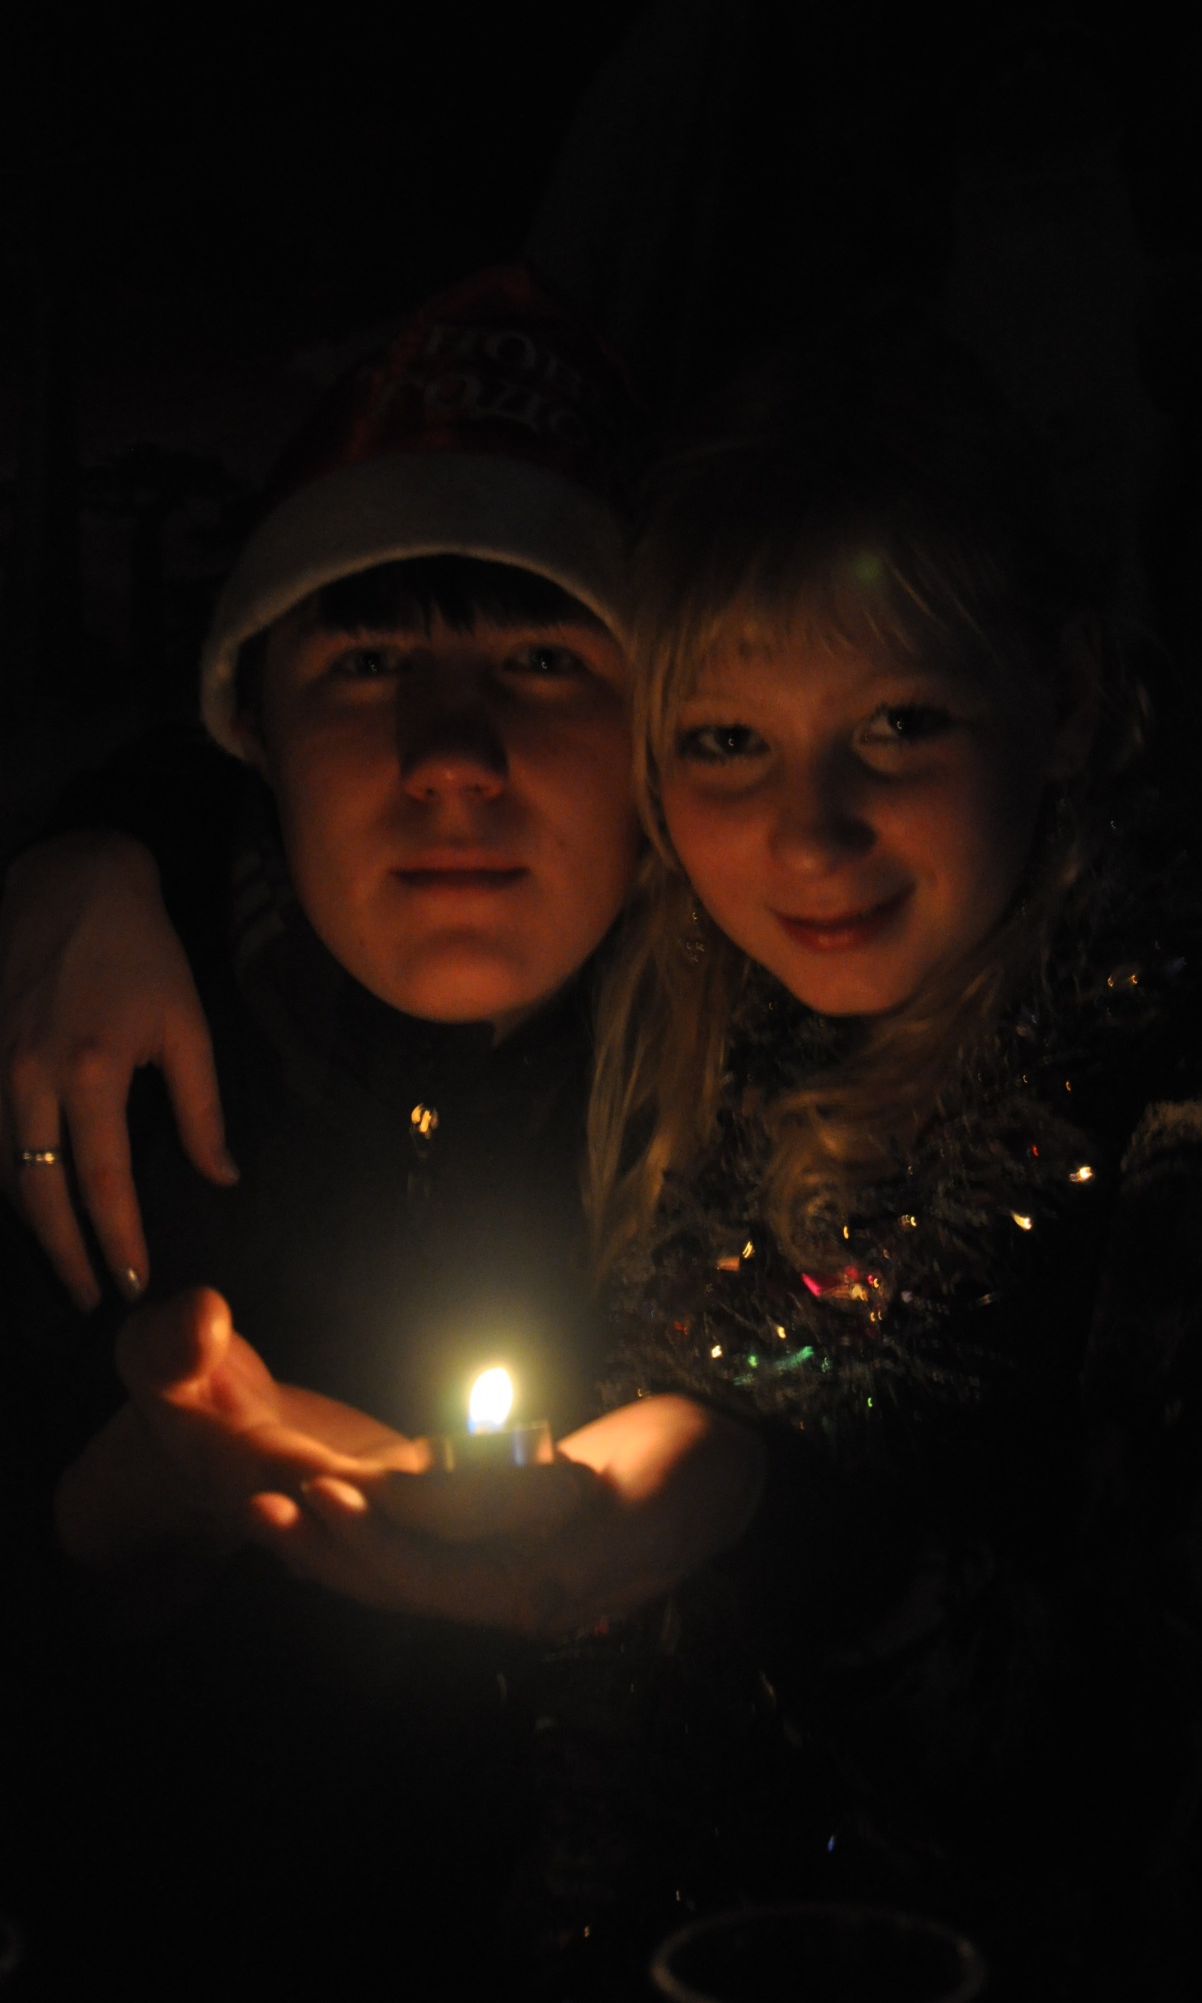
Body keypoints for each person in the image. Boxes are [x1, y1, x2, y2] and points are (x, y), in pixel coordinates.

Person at [566, 313, 1202, 1993]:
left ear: (1060, 700)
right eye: (724, 741)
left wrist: (754, 1512)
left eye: (899, 722)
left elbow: (1163, 1790)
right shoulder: (672, 1044)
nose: (808, 833)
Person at [0, 264, 759, 1995]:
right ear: (253, 734)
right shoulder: (77, 1059)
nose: (450, 756)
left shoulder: (786, 1058)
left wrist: (750, 1495)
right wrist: (122, 1513)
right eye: (364, 663)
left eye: (544, 658)